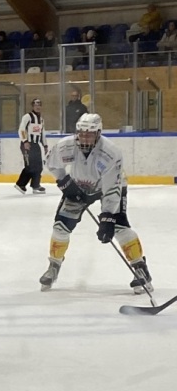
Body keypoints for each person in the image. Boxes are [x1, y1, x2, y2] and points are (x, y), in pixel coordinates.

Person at [38, 113, 153, 294]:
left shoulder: (111, 152)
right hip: (78, 188)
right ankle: (54, 266)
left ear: (98, 133)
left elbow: (112, 189)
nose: (84, 137)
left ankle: (140, 268)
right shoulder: (65, 146)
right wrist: (65, 183)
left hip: (110, 188)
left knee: (119, 227)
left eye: (89, 133)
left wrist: (107, 217)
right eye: (81, 133)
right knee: (60, 227)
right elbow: (51, 164)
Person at [14, 98, 47, 195]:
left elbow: (42, 133)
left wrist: (45, 145)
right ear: (32, 106)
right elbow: (21, 129)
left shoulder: (41, 119)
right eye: (36, 104)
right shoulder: (27, 117)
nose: (38, 106)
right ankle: (20, 184)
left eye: (39, 104)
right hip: (27, 144)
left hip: (36, 145)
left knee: (39, 166)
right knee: (30, 166)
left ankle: (36, 185)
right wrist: (25, 141)